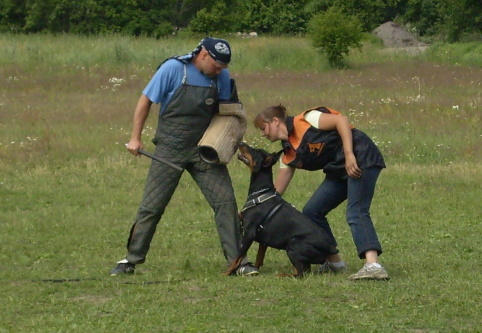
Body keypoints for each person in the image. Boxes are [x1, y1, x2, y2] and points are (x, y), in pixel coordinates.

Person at [110, 37, 258, 277]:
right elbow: (145, 101)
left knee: (225, 202)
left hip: (204, 150)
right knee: (152, 205)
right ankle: (131, 260)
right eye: (217, 66)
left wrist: (225, 143)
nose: (220, 71)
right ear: (203, 55)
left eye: (223, 67)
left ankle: (238, 262)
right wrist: (135, 138)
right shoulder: (173, 69)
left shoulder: (221, 76)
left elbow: (228, 114)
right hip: (170, 147)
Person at [254, 104, 389, 281]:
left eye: (263, 128)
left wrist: (349, 154)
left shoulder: (307, 119)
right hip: (338, 170)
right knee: (312, 211)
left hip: (360, 157)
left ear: (275, 121)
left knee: (356, 211)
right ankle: (334, 263)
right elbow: (275, 193)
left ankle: (373, 266)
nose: (263, 134)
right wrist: (256, 210)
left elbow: (341, 121)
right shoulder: (288, 153)